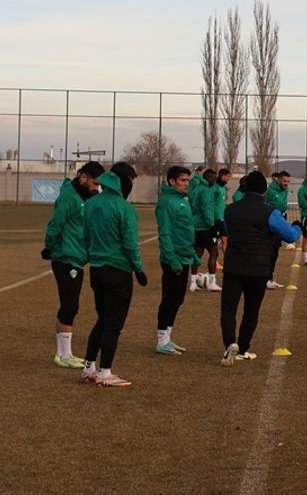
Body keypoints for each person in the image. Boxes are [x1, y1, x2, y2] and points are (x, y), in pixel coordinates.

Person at [220, 171, 301, 365]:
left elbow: (229, 232)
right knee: (251, 310)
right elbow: (290, 235)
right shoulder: (269, 211)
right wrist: (297, 226)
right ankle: (242, 348)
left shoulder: (230, 210)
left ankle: (230, 343)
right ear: (264, 190)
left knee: (228, 309)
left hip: (233, 266)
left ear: (244, 188)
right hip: (257, 268)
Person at [80, 162, 147, 387]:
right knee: (113, 324)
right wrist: (138, 269)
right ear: (124, 181)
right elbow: (130, 243)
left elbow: (84, 236)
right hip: (118, 270)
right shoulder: (124, 207)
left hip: (97, 269)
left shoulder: (91, 203)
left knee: (102, 318)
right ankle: (105, 372)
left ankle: (89, 367)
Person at [42, 161, 105, 369]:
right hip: (65, 257)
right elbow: (55, 224)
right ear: (83, 177)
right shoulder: (69, 197)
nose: (96, 188)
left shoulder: (84, 197)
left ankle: (65, 353)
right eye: (95, 183)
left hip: (76, 257)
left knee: (71, 305)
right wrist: (49, 247)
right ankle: (63, 354)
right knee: (70, 305)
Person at [155, 166, 203, 356]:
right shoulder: (167, 202)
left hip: (184, 256)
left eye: (187, 180)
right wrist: (171, 258)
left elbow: (185, 231)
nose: (186, 184)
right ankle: (161, 340)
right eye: (183, 180)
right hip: (173, 258)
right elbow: (165, 233)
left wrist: (192, 253)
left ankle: (167, 337)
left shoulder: (182, 200)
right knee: (169, 298)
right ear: (172, 181)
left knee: (178, 299)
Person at [189, 168, 222, 292]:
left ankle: (193, 282)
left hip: (196, 226)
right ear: (209, 178)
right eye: (214, 178)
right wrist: (212, 225)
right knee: (214, 252)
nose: (215, 181)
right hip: (205, 226)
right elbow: (206, 208)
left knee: (198, 252)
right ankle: (212, 282)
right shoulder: (206, 190)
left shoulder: (196, 188)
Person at [265, 171, 291, 288]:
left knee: (275, 251)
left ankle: (270, 277)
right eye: (284, 181)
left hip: (280, 220)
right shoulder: (270, 190)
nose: (286, 183)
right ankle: (266, 278)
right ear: (278, 180)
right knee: (269, 251)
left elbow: (283, 206)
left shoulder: (285, 190)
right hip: (271, 222)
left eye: (288, 181)